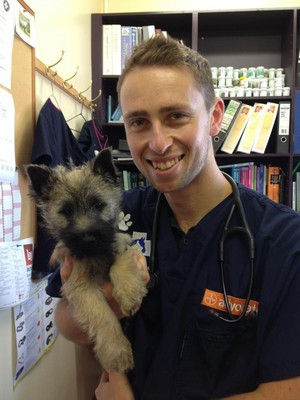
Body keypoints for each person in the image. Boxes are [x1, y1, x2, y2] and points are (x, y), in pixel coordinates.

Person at [48, 35, 300, 399]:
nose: (159, 142)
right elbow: (66, 322)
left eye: (176, 116)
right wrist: (102, 303)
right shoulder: (115, 216)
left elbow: (286, 392)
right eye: (138, 122)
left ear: (215, 117)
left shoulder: (283, 241)